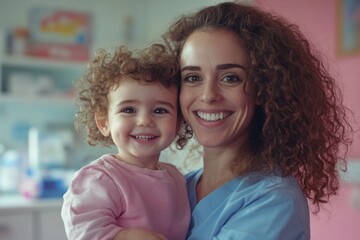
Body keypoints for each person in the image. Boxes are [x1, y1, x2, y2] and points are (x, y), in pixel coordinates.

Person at [162, 2, 354, 239]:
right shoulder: (175, 187)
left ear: (263, 89)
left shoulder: (274, 199)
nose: (208, 95)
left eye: (230, 78)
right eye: (192, 77)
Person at [61, 43, 190, 240]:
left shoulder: (176, 178)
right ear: (104, 122)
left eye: (160, 110)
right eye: (128, 110)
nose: (145, 120)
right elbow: (84, 231)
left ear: (178, 122)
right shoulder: (100, 179)